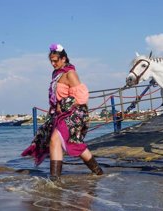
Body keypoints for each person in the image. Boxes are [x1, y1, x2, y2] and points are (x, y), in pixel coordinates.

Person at [21, 43, 103, 181]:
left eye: (55, 60)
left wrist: (64, 105)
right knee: (73, 144)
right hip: (60, 115)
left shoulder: (70, 74)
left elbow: (82, 97)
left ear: (63, 59)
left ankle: (54, 180)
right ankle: (98, 172)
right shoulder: (56, 74)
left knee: (55, 140)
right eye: (51, 61)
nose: (53, 64)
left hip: (74, 113)